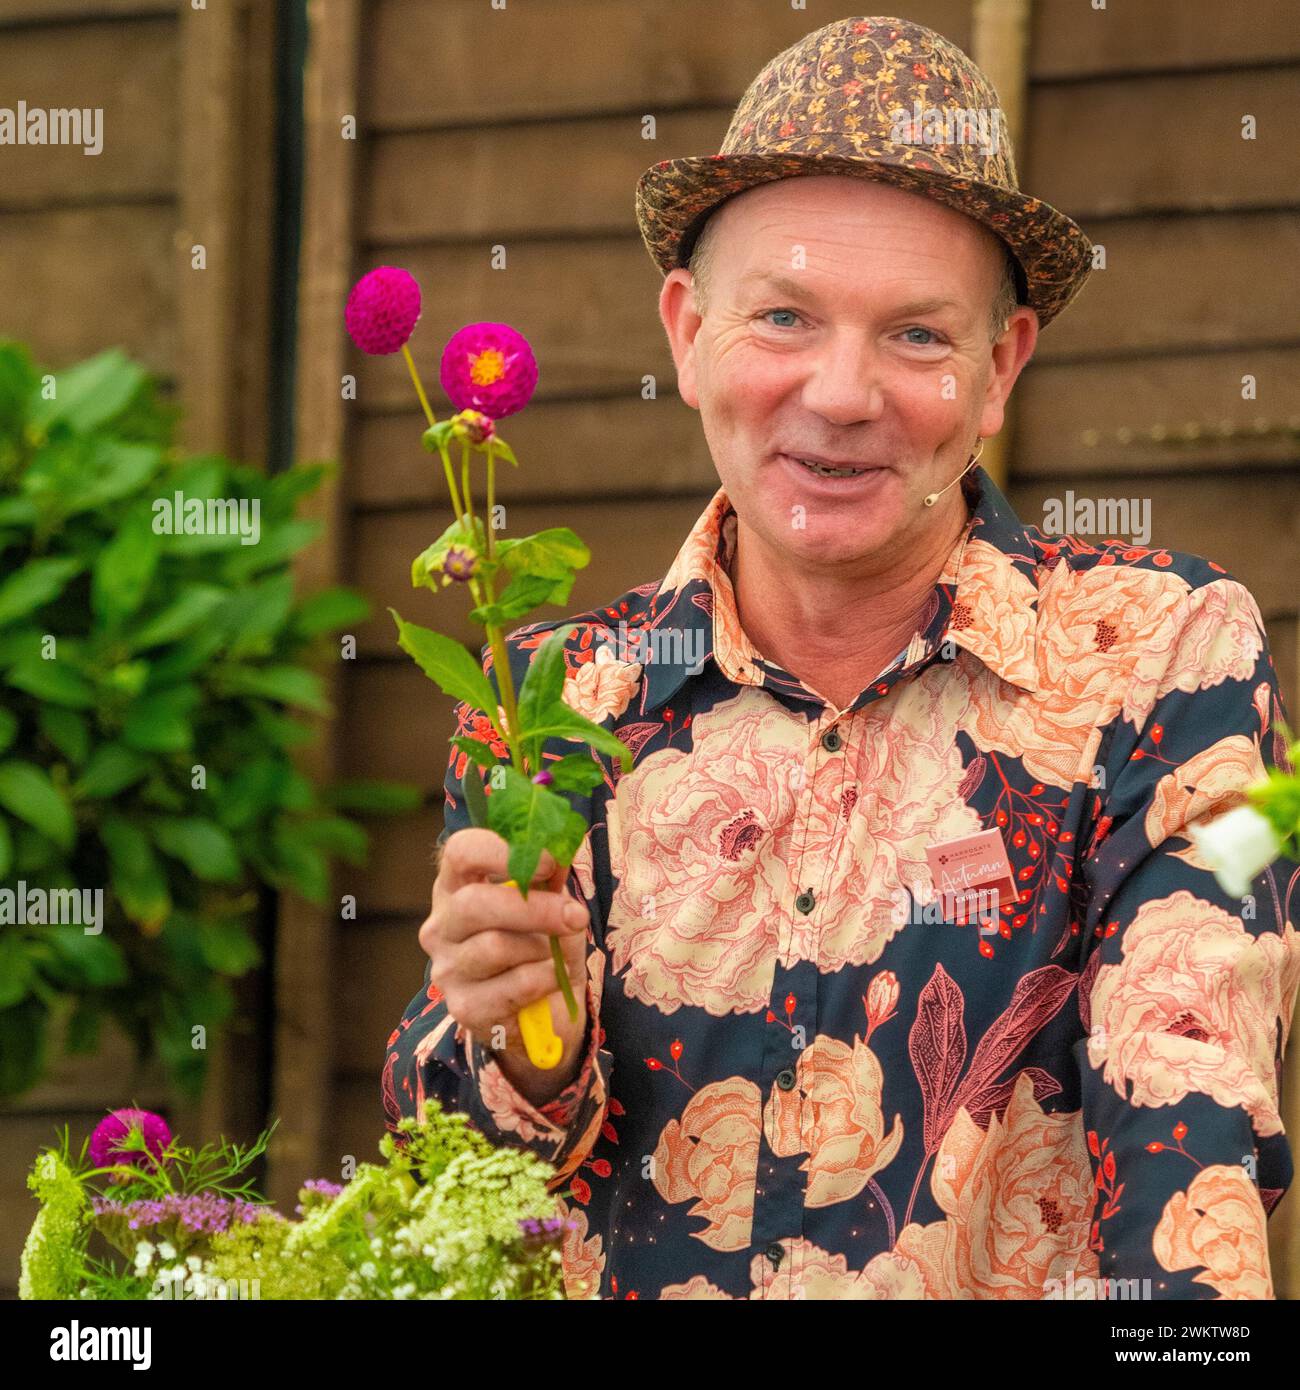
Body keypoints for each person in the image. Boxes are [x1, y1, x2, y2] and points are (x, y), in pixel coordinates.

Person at [381, 15, 1300, 1299]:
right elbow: (450, 1207)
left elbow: (1189, 1122)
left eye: (919, 336)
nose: (842, 392)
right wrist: (531, 1054)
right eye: (784, 317)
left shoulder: (1171, 663)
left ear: (1000, 370)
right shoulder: (544, 700)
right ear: (686, 333)